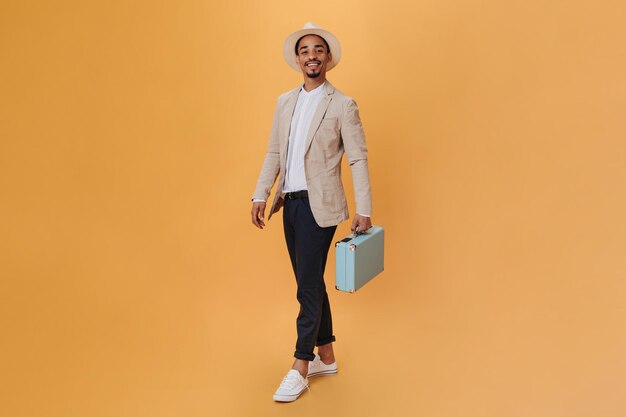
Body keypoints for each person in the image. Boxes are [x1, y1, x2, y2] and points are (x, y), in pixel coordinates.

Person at [250, 22, 373, 402]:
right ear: (297, 59)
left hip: (321, 208)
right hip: (290, 204)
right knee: (312, 283)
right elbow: (275, 152)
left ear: (328, 57)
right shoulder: (285, 102)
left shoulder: (342, 104)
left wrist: (364, 209)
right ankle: (328, 355)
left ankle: (301, 365)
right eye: (305, 51)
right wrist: (260, 194)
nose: (312, 56)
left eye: (318, 50)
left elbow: (358, 158)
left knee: (306, 287)